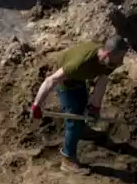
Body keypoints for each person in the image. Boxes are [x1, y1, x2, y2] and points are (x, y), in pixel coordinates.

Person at [29, 35, 129, 171]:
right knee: (73, 120)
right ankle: (67, 158)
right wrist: (37, 105)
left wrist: (95, 107)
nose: (121, 62)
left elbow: (102, 81)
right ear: (108, 53)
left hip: (80, 79)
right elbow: (51, 80)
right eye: (120, 58)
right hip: (64, 81)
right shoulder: (80, 63)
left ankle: (82, 131)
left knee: (82, 105)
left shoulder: (110, 62)